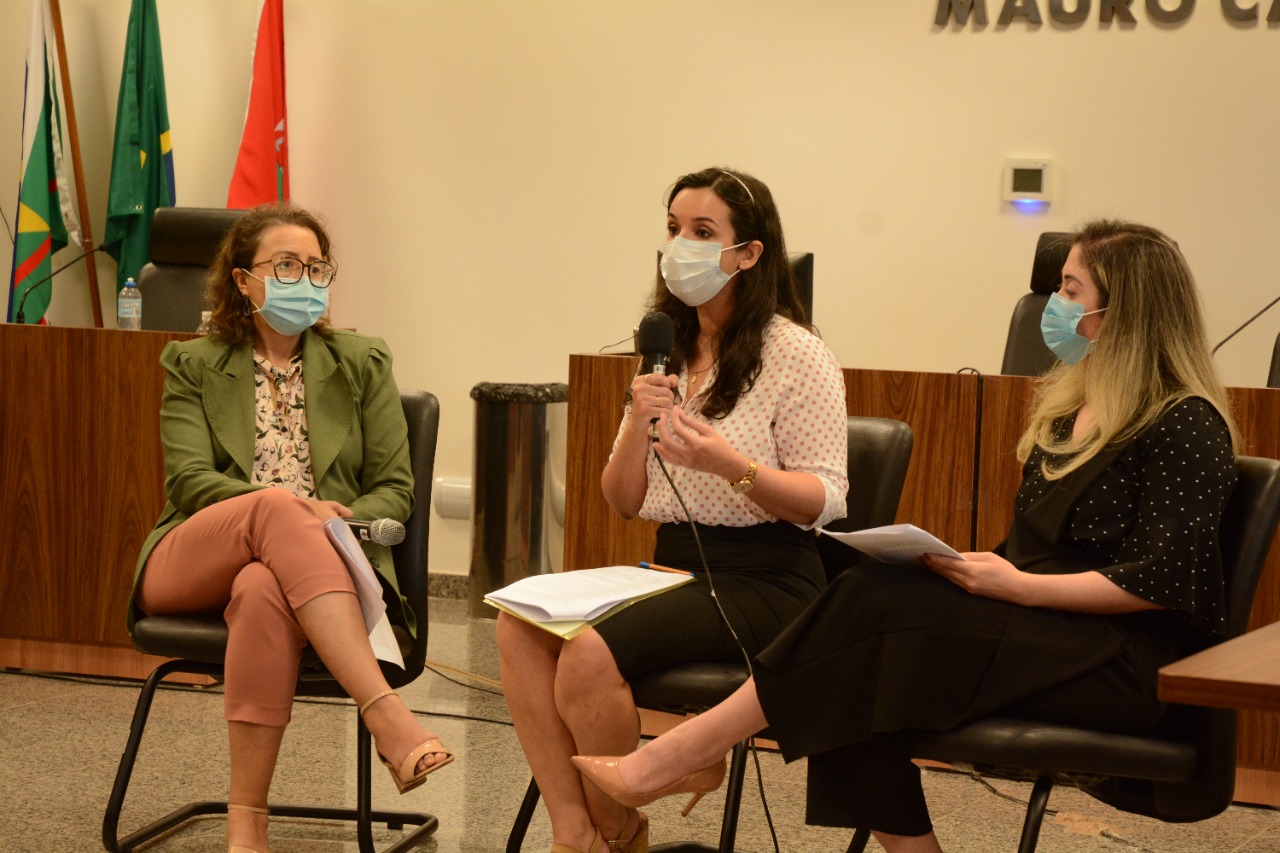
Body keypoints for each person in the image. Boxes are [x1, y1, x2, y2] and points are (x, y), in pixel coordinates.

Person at [572, 220, 1240, 853]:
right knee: (852, 634)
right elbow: (1034, 549)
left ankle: (684, 751)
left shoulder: (1183, 421)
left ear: (1124, 312)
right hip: (1040, 627)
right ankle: (704, 758)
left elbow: (1163, 581)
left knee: (860, 634)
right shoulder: (1070, 410)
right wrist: (970, 567)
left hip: (1118, 659)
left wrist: (1018, 584)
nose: (1053, 304)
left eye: (1070, 291)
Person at [498, 167, 849, 853]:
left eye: (701, 231)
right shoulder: (667, 351)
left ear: (749, 254)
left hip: (770, 578)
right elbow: (623, 500)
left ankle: (610, 834)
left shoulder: (797, 354)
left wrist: (732, 465)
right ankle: (581, 827)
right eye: (672, 229)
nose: (679, 246)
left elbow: (827, 500)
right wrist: (637, 417)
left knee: (588, 653)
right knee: (519, 628)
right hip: (674, 567)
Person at [130, 204, 452, 853]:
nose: (303, 277)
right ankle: (386, 715)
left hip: (316, 570)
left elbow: (394, 488)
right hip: (191, 556)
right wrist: (294, 506)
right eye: (286, 265)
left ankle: (247, 819)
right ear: (244, 279)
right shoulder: (191, 363)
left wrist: (328, 521)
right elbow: (189, 481)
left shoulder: (361, 362)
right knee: (278, 507)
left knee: (260, 589)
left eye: (315, 266)